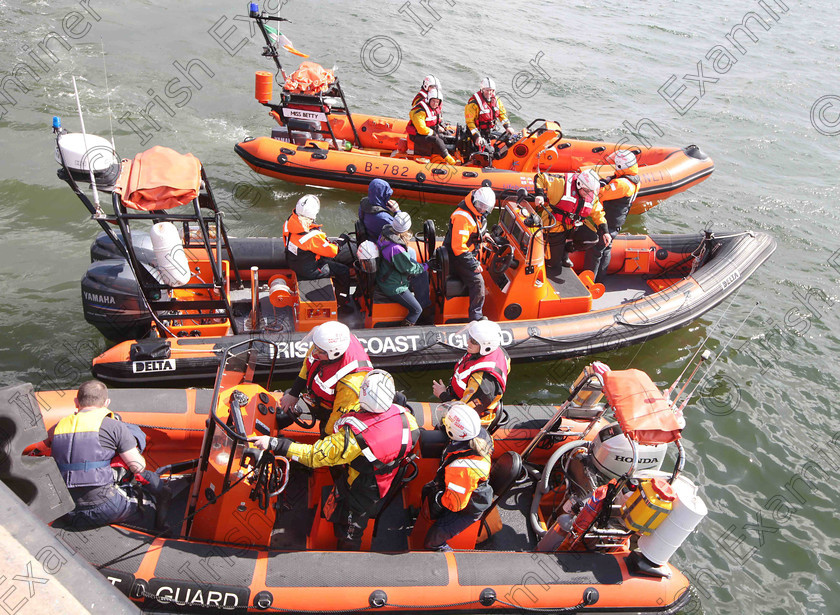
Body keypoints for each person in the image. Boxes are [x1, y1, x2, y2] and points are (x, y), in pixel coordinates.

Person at [250, 370, 419, 550]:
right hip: (385, 476)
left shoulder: (355, 438)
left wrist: (275, 443)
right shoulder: (407, 418)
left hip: (362, 487)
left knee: (350, 527)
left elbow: (313, 456)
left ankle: (348, 551)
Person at [49, 380, 166, 530]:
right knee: (150, 506)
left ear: (76, 402)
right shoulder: (114, 426)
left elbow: (41, 449)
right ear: (106, 403)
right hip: (102, 507)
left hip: (66, 509)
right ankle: (158, 531)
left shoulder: (58, 426)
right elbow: (138, 467)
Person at [279, 321, 373, 435]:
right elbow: (308, 365)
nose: (314, 352)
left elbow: (338, 417)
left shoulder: (351, 380)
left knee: (326, 433)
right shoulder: (324, 343)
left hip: (333, 413)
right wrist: (294, 393)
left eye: (319, 351)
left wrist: (325, 437)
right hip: (317, 401)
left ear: (334, 353)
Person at [422, 402, 494, 551]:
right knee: (427, 490)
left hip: (468, 507)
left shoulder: (462, 468)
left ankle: (444, 554)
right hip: (463, 490)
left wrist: (438, 499)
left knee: (432, 540)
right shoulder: (477, 434)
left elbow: (455, 503)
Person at [432, 320, 509, 428]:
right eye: (470, 338)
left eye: (473, 341)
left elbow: (464, 411)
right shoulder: (493, 352)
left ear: (486, 346)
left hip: (471, 422)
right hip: (462, 401)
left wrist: (443, 395)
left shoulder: (482, 383)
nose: (468, 342)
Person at [283, 194, 351, 307]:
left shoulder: (289, 222)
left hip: (293, 262)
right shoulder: (313, 236)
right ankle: (342, 303)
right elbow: (333, 251)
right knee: (343, 271)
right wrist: (340, 242)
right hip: (310, 270)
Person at [534, 169, 610, 270]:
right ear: (578, 184)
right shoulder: (561, 184)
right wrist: (539, 195)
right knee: (553, 264)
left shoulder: (591, 194)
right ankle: (556, 254)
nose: (588, 195)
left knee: (592, 238)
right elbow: (540, 177)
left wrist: (605, 231)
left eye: (590, 192)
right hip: (555, 224)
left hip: (574, 225)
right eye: (586, 191)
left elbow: (598, 213)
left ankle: (566, 250)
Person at [583, 150, 641, 282]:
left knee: (595, 251)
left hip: (608, 222)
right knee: (605, 249)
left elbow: (600, 194)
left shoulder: (622, 185)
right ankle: (599, 280)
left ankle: (588, 281)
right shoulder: (632, 178)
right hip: (616, 221)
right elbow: (613, 179)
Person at [443, 186, 496, 321]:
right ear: (474, 201)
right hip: (457, 258)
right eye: (480, 205)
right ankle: (476, 315)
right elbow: (458, 247)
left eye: (485, 207)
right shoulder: (462, 217)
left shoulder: (474, 212)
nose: (482, 209)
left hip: (464, 254)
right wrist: (473, 264)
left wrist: (483, 236)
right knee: (478, 282)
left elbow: (470, 234)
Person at [375, 212, 431, 326]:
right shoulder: (396, 249)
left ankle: (423, 304)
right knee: (416, 310)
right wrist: (426, 266)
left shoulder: (384, 235)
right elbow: (408, 268)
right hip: (393, 286)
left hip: (386, 276)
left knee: (422, 275)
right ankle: (407, 326)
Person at [406, 86, 457, 165]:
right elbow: (421, 129)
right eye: (433, 101)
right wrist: (433, 133)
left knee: (446, 137)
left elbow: (435, 122)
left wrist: (441, 128)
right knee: (437, 140)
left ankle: (456, 155)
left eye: (437, 102)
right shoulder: (420, 111)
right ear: (429, 100)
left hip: (428, 133)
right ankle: (450, 160)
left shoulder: (434, 109)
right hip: (417, 135)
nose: (435, 104)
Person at [464, 77, 515, 149]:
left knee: (510, 141)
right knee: (487, 151)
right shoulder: (473, 104)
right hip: (476, 132)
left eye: (491, 90)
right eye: (487, 90)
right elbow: (470, 122)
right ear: (482, 90)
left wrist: (508, 126)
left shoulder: (497, 101)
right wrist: (477, 136)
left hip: (489, 131)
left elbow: (502, 114)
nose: (489, 93)